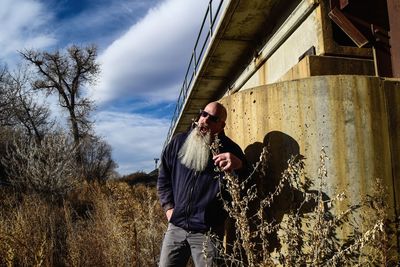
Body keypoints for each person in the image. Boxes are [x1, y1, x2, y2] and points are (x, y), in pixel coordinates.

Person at [157, 102, 248, 266]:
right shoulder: (179, 142)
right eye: (203, 114)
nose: (204, 120)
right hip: (176, 228)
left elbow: (248, 182)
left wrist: (240, 165)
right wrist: (169, 207)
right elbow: (164, 176)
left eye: (212, 118)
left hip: (208, 234)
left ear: (222, 125)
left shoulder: (230, 150)